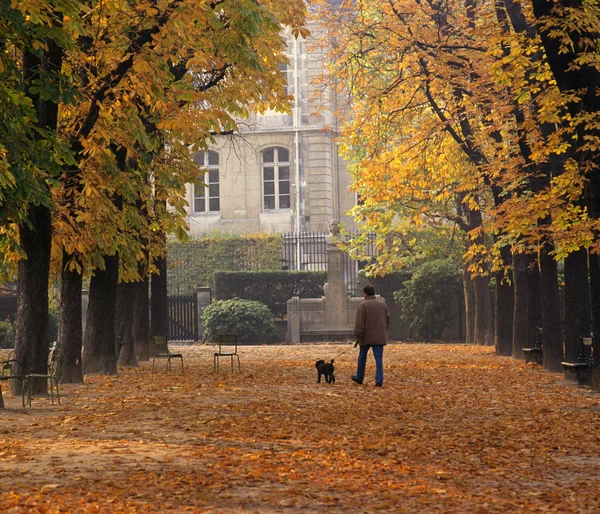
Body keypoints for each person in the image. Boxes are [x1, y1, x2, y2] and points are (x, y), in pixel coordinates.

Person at [352, 284, 390, 387]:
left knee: (362, 357)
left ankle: (359, 377)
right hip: (379, 336)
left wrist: (357, 335)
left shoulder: (362, 306)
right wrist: (383, 331)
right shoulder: (383, 305)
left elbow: (359, 323)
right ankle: (379, 380)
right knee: (378, 359)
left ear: (365, 293)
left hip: (366, 336)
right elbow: (387, 320)